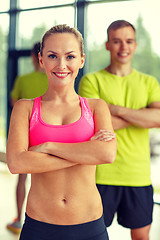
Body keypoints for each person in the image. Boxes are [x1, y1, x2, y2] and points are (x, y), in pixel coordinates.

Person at [6, 24, 117, 240]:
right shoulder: (25, 108)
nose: (62, 64)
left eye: (70, 56)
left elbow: (107, 154)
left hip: (89, 227)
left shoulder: (96, 107)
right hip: (39, 227)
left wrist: (48, 147)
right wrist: (85, 153)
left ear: (81, 60)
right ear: (41, 60)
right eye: (52, 56)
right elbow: (17, 163)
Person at [79, 20, 160, 240]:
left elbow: (159, 118)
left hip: (138, 176)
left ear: (135, 45)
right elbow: (92, 124)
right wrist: (141, 115)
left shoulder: (149, 82)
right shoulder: (91, 81)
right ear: (107, 45)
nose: (123, 47)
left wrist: (114, 109)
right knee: (92, 236)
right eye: (117, 41)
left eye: (129, 41)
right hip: (100, 175)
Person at [7, 42, 48, 234]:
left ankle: (18, 218)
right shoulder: (53, 80)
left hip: (27, 135)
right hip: (48, 136)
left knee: (22, 178)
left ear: (34, 57)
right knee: (48, 179)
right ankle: (45, 218)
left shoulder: (23, 80)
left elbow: (15, 104)